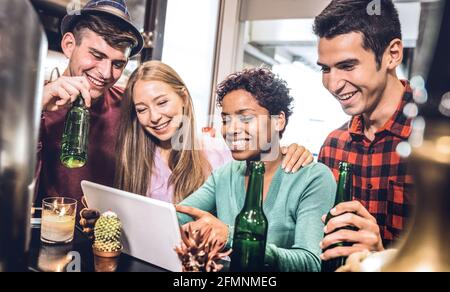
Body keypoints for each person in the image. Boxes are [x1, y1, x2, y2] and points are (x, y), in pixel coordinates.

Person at [80, 61, 314, 235]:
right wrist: (108, 221)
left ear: (182, 97)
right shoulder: (134, 157)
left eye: (162, 102)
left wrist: (286, 150)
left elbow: (262, 165)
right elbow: (153, 221)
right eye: (141, 109)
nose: (154, 117)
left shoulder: (219, 152)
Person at [176, 67, 336, 272]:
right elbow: (178, 217)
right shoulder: (224, 175)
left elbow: (311, 262)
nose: (231, 129)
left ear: (279, 120)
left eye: (245, 118)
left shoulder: (313, 178)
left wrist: (232, 237)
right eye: (226, 119)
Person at [313, 0, 415, 263]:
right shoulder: (333, 145)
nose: (333, 84)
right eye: (325, 68)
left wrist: (383, 258)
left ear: (392, 54)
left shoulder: (436, 143)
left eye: (347, 66)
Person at [36, 0, 143, 205]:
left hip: (103, 234)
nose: (105, 73)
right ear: (69, 45)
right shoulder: (30, 97)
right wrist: (35, 107)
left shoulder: (129, 106)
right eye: (96, 55)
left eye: (117, 64)